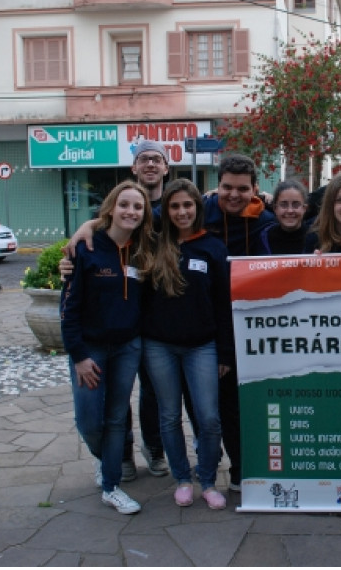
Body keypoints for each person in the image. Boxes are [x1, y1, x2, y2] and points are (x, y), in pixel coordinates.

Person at [63, 139, 174, 483]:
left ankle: (152, 448)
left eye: (158, 159)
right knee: (115, 402)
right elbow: (106, 232)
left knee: (153, 394)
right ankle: (119, 455)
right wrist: (86, 232)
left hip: (154, 324)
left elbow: (206, 207)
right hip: (115, 329)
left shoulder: (172, 206)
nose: (151, 165)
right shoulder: (108, 226)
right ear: (134, 168)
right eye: (144, 159)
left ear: (166, 168)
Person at [60, 180, 155, 515]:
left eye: (138, 207)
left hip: (127, 348)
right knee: (89, 421)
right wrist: (80, 356)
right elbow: (68, 309)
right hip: (91, 350)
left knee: (116, 418)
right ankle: (106, 461)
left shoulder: (145, 250)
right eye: (125, 205)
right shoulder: (85, 249)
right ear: (111, 208)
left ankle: (111, 484)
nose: (131, 211)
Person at [142, 179, 232, 510]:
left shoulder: (212, 247)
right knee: (168, 416)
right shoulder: (152, 244)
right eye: (175, 206)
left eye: (188, 205)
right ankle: (182, 479)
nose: (182, 212)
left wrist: (224, 351)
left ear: (198, 207)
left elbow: (224, 304)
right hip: (159, 346)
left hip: (203, 346)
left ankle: (206, 480)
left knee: (209, 418)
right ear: (165, 210)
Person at [202, 153, 276, 492]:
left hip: (261, 331)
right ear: (217, 187)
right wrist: (91, 225)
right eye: (227, 188)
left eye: (242, 189)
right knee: (224, 408)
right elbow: (148, 217)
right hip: (214, 327)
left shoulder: (267, 218)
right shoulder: (200, 213)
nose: (234, 195)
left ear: (256, 190)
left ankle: (258, 463)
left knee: (257, 404)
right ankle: (235, 467)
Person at [259, 179, 311, 255]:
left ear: (304, 208)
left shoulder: (316, 238)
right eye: (284, 205)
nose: (290, 211)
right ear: (275, 208)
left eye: (296, 205)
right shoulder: (264, 237)